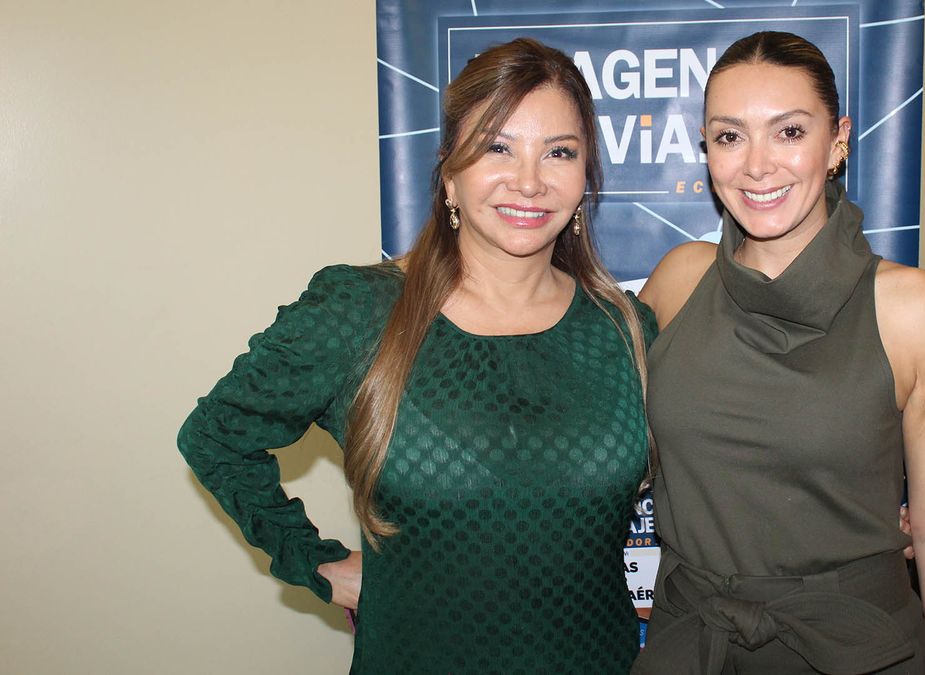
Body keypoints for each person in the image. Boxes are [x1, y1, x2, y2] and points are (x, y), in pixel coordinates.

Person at [178, 38, 655, 674]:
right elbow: (215, 436)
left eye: (559, 152)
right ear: (449, 172)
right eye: (497, 147)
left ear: (586, 173)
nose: (530, 181)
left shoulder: (626, 331)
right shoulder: (359, 313)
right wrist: (315, 560)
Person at [634, 32, 925, 674]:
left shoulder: (913, 309)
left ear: (838, 141)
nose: (757, 165)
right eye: (730, 136)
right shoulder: (677, 283)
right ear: (706, 148)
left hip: (855, 645)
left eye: (789, 132)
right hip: (693, 640)